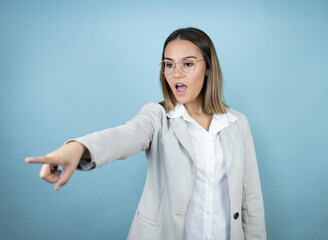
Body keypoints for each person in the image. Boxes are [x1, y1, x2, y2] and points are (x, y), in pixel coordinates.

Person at [26, 27, 266, 240]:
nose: (176, 73)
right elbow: (124, 136)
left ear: (208, 68)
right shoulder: (157, 116)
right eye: (169, 64)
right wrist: (76, 149)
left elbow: (251, 201)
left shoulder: (237, 124)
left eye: (188, 63)